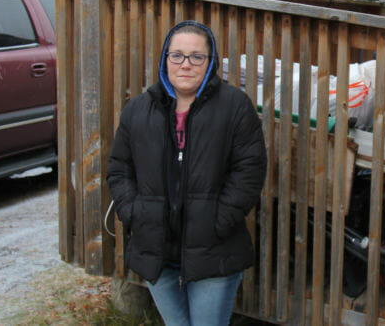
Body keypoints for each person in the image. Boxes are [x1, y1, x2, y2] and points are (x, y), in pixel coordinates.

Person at [107, 20, 267, 325]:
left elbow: (249, 170)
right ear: (165, 58)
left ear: (210, 62)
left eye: (197, 56)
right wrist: (134, 212)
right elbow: (119, 168)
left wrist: (219, 220)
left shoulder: (235, 107)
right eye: (177, 55)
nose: (185, 64)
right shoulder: (138, 110)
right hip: (156, 249)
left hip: (214, 249)